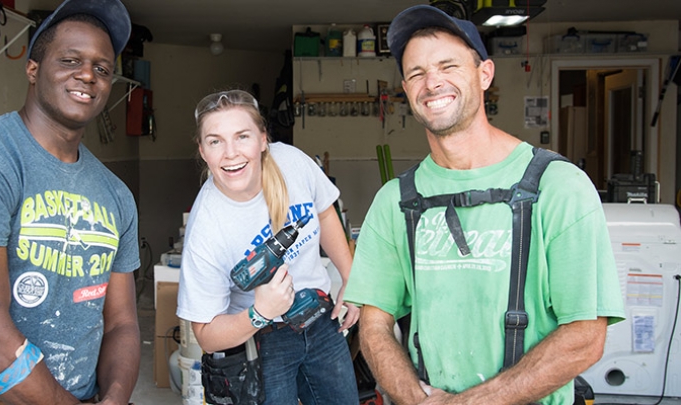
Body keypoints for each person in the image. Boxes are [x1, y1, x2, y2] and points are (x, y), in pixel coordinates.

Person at [343, 5, 625, 405]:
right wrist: (417, 400)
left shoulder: (558, 187)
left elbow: (584, 336)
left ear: (484, 74)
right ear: (406, 89)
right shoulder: (395, 202)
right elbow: (374, 325)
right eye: (417, 73)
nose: (432, 83)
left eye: (448, 66)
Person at [0, 0, 141, 404]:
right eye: (71, 60)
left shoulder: (115, 194)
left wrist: (116, 397)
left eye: (102, 68)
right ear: (33, 69)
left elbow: (121, 322)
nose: (87, 74)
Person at [176, 89, 361, 404]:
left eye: (242, 136)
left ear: (263, 139)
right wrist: (260, 313)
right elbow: (206, 336)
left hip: (321, 319)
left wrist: (351, 278)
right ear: (203, 151)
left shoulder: (291, 161)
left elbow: (324, 210)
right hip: (262, 341)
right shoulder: (207, 229)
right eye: (215, 141)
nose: (231, 153)